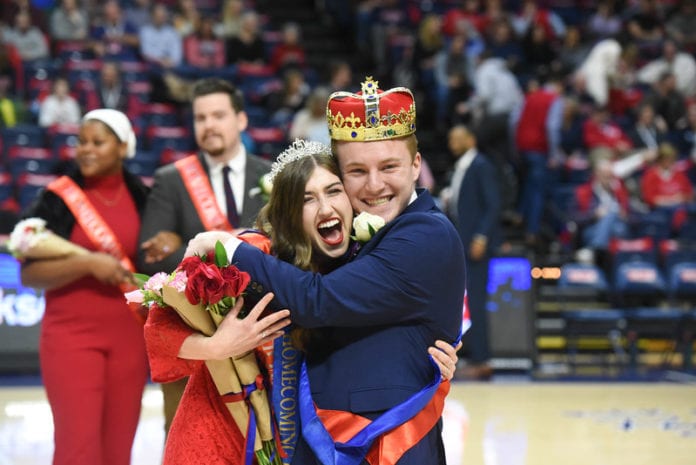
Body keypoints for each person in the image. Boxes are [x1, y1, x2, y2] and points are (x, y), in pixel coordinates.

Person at [186, 77, 467, 464]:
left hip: (384, 445)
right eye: (356, 172)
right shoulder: (354, 238)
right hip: (322, 439)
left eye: (389, 167)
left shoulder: (426, 233)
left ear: (417, 165)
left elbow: (318, 300)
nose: (374, 185)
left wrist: (229, 247)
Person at [137, 77, 272, 437]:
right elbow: (150, 261)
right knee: (191, 441)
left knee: (267, 438)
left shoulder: (274, 176)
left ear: (241, 120)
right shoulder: (171, 179)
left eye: (218, 115)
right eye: (200, 118)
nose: (209, 125)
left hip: (264, 339)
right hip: (195, 343)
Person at [18, 109, 150, 465]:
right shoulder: (56, 199)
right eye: (81, 142)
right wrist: (87, 263)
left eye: (98, 142)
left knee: (118, 450)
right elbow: (29, 275)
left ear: (123, 147)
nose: (86, 150)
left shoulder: (143, 196)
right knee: (78, 450)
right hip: (70, 338)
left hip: (129, 339)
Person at [441, 125, 501, 380]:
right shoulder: (460, 167)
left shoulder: (480, 165)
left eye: (458, 137)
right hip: (460, 244)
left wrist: (481, 237)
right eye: (451, 137)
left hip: (474, 245)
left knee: (475, 301)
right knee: (464, 304)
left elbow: (493, 204)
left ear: (471, 139)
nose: (453, 141)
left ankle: (482, 359)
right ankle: (470, 355)